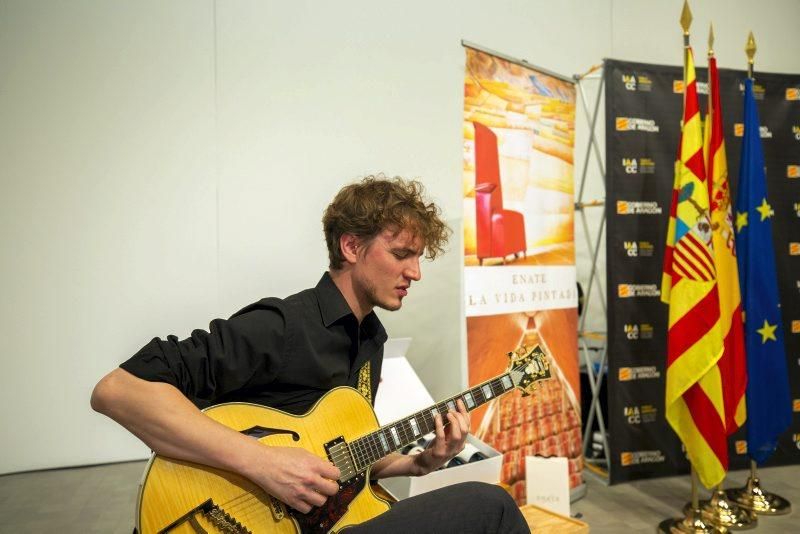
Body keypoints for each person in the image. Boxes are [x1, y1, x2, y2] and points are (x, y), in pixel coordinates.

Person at [91, 175, 530, 533]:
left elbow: (339, 464)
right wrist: (263, 463)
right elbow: (117, 390)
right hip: (226, 519)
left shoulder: (370, 340)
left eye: (417, 259)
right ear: (351, 247)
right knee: (491, 508)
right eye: (401, 255)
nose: (414, 272)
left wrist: (422, 461)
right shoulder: (282, 325)